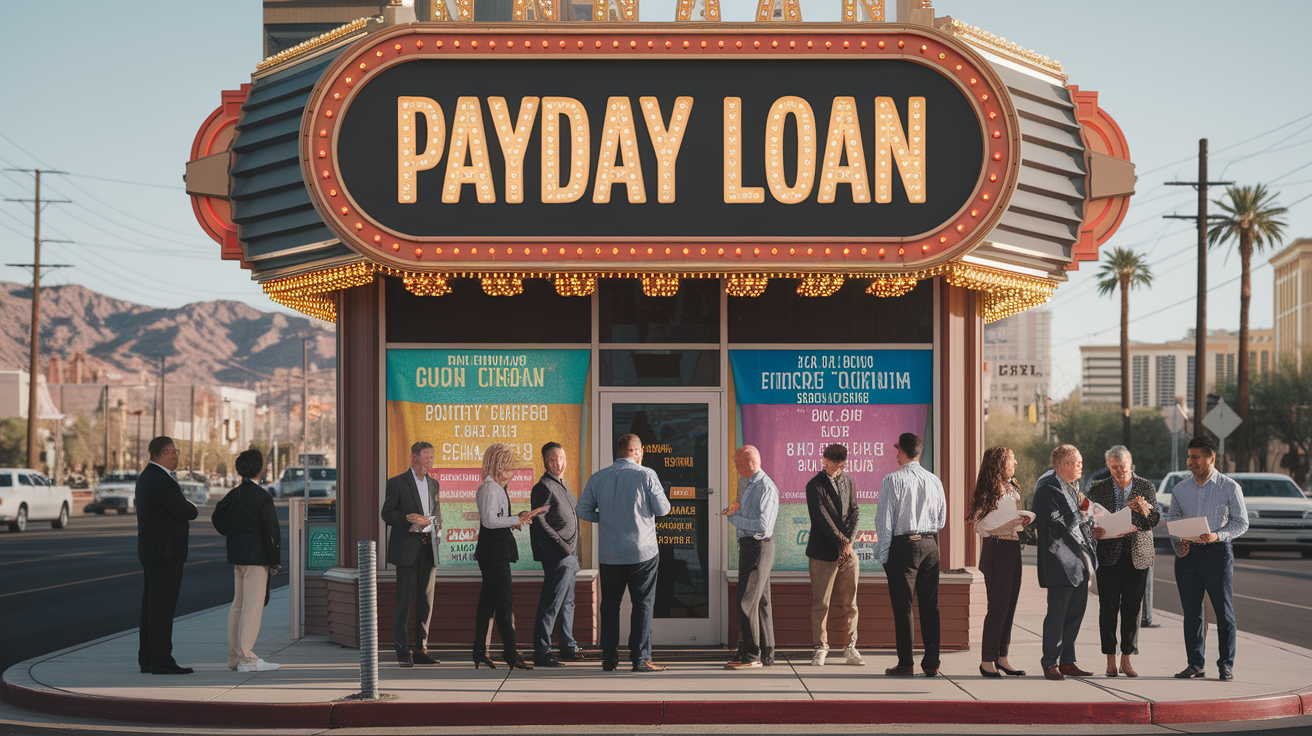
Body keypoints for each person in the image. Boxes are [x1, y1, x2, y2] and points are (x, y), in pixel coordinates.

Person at [578, 433, 672, 673]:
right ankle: (640, 659)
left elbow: (583, 510)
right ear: (638, 451)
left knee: (610, 606)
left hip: (610, 553)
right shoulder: (647, 474)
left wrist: (606, 518)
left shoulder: (599, 477)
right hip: (643, 551)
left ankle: (609, 659)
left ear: (619, 452)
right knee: (642, 604)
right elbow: (663, 509)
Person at [1166, 436, 1248, 681]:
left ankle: (1226, 664)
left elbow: (1241, 522)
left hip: (1217, 553)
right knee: (1192, 613)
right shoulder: (1181, 489)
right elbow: (1173, 519)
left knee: (1223, 613)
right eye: (1189, 456)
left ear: (1212, 458)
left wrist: (1217, 535)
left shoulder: (1229, 487)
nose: (1190, 462)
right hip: (1188, 555)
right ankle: (1195, 664)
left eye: (1196, 457)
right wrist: (1179, 543)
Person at [875, 433, 947, 677]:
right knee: (930, 605)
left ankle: (906, 663)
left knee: (903, 606)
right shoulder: (934, 480)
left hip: (904, 545)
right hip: (929, 543)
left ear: (902, 451)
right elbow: (941, 519)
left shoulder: (891, 480)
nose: (895, 454)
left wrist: (884, 556)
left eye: (897, 450)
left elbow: (884, 521)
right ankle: (931, 663)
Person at [1086, 445, 1160, 678]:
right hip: (1109, 553)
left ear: (1132, 466)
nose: (1119, 471)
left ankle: (1126, 658)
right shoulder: (1099, 488)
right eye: (1114, 467)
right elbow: (1090, 519)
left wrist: (1143, 512)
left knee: (1132, 608)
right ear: (1109, 467)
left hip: (1138, 554)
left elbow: (1155, 519)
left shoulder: (1145, 487)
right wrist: (1095, 529)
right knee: (1108, 607)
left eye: (1123, 467)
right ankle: (1110, 659)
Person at [214, 449, 282, 673]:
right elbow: (271, 533)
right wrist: (274, 561)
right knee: (252, 607)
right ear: (260, 470)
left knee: (238, 606)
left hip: (238, 558)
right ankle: (247, 658)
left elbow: (218, 519)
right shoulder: (262, 497)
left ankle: (234, 656)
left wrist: (232, 532)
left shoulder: (233, 495)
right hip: (256, 559)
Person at [1033, 444, 1097, 681]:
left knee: (1075, 613)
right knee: (1057, 613)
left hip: (1078, 558)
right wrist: (1082, 514)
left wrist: (1090, 522)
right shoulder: (1047, 487)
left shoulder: (1073, 486)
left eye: (1079, 462)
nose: (1077, 466)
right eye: (1071, 463)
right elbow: (1057, 523)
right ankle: (1050, 662)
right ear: (1057, 466)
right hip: (1058, 559)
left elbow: (1078, 522)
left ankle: (1068, 660)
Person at [473, 442, 540, 670]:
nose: (511, 472)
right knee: (505, 603)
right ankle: (510, 654)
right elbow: (489, 521)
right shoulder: (490, 489)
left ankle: (479, 651)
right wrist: (515, 520)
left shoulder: (496, 488)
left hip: (494, 549)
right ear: (498, 466)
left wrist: (515, 519)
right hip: (494, 552)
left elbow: (496, 518)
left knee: (488, 603)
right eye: (508, 466)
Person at [135, 436, 199, 675]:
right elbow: (186, 511)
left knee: (151, 607)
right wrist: (190, 506)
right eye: (169, 452)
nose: (174, 455)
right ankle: (161, 660)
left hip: (155, 550)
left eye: (175, 451)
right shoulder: (161, 480)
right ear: (155, 455)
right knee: (162, 609)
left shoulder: (148, 477)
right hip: (165, 552)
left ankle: (148, 657)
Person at [966, 446, 1031, 678]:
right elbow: (980, 525)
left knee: (1010, 604)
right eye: (1011, 460)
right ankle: (987, 660)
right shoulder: (988, 490)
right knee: (998, 606)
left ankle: (1002, 657)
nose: (1015, 464)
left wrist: (1020, 519)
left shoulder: (1012, 486)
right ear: (999, 463)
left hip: (1012, 546)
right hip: (996, 548)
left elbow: (1010, 520)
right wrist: (1006, 523)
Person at [380, 441, 442, 668]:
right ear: (414, 458)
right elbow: (387, 514)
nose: (430, 460)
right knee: (404, 602)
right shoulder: (397, 483)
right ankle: (402, 650)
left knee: (426, 601)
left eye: (432, 457)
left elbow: (436, 513)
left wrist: (438, 529)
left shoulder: (434, 484)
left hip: (428, 548)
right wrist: (409, 517)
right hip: (406, 550)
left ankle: (421, 648)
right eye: (426, 456)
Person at [720, 445, 779, 670]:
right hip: (748, 546)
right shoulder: (745, 481)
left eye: (737, 462)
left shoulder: (766, 487)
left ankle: (752, 655)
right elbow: (745, 510)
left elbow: (764, 527)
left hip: (759, 546)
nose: (735, 466)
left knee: (746, 601)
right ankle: (767, 654)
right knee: (761, 602)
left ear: (750, 463)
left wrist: (734, 520)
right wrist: (735, 508)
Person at [805, 443, 864, 667]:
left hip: (848, 553)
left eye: (839, 464)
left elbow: (855, 511)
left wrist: (849, 542)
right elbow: (822, 519)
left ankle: (850, 647)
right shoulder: (814, 485)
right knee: (821, 603)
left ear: (843, 463)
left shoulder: (848, 481)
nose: (835, 467)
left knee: (851, 604)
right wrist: (842, 542)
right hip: (822, 553)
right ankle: (820, 647)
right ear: (824, 460)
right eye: (831, 462)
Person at [530, 442, 586, 667]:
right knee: (552, 603)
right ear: (545, 462)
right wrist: (563, 547)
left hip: (569, 557)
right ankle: (542, 651)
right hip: (557, 556)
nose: (558, 463)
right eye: (553, 459)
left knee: (568, 602)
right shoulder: (543, 487)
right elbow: (539, 522)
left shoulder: (562, 486)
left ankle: (567, 645)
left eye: (561, 458)